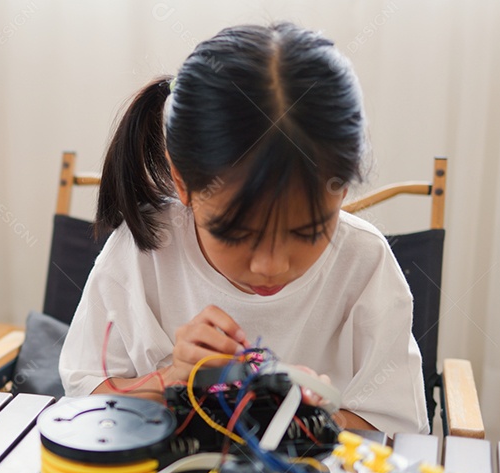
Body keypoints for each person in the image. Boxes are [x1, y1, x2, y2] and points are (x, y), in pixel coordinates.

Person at [58, 23, 428, 436]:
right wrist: (172, 379)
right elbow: (84, 399)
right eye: (236, 235)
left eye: (306, 232)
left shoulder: (365, 263)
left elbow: (397, 431)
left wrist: (305, 412)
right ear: (183, 182)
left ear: (340, 191)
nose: (271, 266)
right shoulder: (143, 253)